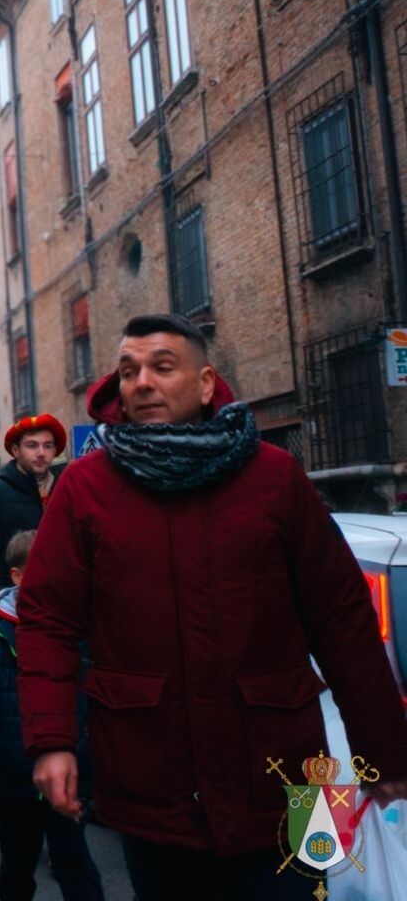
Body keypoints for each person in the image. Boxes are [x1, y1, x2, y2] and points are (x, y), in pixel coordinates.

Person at [20, 314, 407, 899]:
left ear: (205, 384)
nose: (142, 381)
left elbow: (342, 619)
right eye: (129, 371)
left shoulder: (275, 478)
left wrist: (386, 753)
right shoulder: (86, 488)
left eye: (161, 367)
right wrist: (51, 741)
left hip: (293, 774)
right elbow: (47, 619)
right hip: (150, 776)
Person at [0, 530, 104, 901]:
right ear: (18, 576)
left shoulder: (78, 628)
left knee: (74, 860)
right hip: (14, 776)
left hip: (70, 770)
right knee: (18, 863)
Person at [0, 414, 66, 623]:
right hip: (12, 618)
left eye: (48, 445)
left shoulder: (67, 491)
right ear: (15, 450)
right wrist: (7, 616)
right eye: (32, 446)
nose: (41, 453)